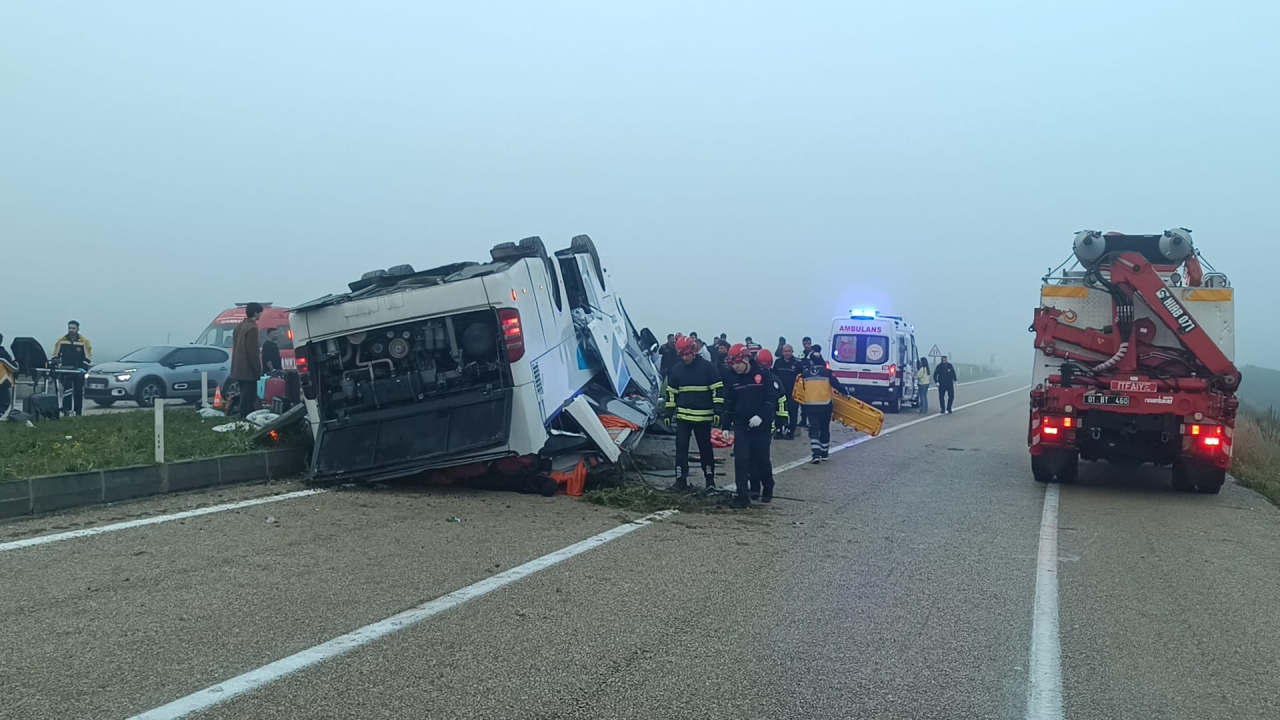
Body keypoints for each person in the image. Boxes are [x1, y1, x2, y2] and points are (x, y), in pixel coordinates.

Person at [721, 344, 781, 507]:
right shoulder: (732, 378)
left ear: (746, 359)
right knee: (741, 460)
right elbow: (729, 403)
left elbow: (772, 398)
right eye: (732, 364)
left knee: (762, 459)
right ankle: (742, 496)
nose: (735, 367)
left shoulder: (763, 375)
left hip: (761, 427)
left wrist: (761, 416)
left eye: (737, 363)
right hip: (741, 426)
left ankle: (767, 487)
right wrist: (725, 426)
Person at [663, 335, 724, 492]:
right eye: (682, 355)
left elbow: (718, 391)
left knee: (705, 450)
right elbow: (671, 394)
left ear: (694, 351)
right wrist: (668, 413)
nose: (685, 358)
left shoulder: (708, 368)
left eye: (687, 354)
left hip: (703, 417)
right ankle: (680, 481)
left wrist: (718, 411)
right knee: (681, 449)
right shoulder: (676, 370)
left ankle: (710, 481)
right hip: (683, 418)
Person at [795, 345, 851, 464]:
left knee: (814, 428)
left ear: (811, 362)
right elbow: (837, 385)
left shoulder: (805, 374)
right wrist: (846, 393)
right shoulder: (827, 373)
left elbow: (799, 388)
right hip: (825, 406)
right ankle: (824, 453)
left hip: (810, 406)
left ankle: (816, 454)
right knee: (824, 428)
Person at [52, 321, 93, 417]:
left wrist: (83, 368)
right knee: (67, 391)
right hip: (66, 370)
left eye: (73, 328)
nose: (71, 330)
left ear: (78, 329)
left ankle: (78, 412)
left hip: (79, 370)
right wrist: (57, 365)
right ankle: (66, 411)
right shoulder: (62, 341)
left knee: (78, 392)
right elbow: (55, 355)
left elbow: (88, 356)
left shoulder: (84, 341)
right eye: (70, 328)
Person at [230, 302, 264, 417]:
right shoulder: (252, 328)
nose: (261, 315)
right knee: (249, 397)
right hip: (248, 369)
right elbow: (252, 352)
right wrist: (258, 369)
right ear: (255, 313)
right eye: (260, 313)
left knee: (243, 393)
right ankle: (245, 417)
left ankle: (242, 416)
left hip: (238, 368)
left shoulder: (239, 327)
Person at [771, 344, 803, 440]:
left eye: (789, 351)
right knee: (779, 412)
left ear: (792, 352)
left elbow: (801, 378)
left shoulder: (797, 363)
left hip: (793, 392)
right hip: (780, 393)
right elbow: (773, 376)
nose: (787, 353)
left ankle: (790, 431)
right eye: (785, 351)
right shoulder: (778, 362)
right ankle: (779, 430)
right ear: (782, 352)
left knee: (793, 412)